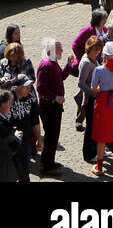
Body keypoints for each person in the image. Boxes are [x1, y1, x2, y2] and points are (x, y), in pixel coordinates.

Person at [34, 38, 75, 177]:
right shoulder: (46, 65)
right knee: (51, 136)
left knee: (54, 136)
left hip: (55, 106)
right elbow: (40, 87)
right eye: (59, 49)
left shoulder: (53, 62)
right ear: (51, 50)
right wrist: (55, 97)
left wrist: (69, 65)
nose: (62, 51)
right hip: (49, 107)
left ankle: (49, 162)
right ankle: (46, 166)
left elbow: (60, 77)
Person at [89, 40, 113, 175]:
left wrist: (102, 88)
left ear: (105, 56)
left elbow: (93, 87)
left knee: (102, 135)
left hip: (104, 102)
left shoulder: (99, 70)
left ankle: (99, 166)